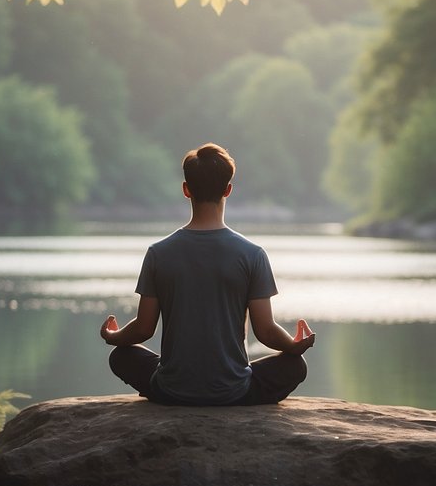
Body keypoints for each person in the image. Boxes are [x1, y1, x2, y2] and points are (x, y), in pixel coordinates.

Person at [100, 142, 315, 406]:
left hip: (171, 391)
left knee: (120, 356)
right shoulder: (252, 254)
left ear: (186, 190)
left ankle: (169, 389)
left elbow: (143, 329)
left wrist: (114, 336)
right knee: (296, 366)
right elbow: (266, 332)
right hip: (233, 391)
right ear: (228, 190)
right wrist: (293, 346)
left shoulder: (158, 253)